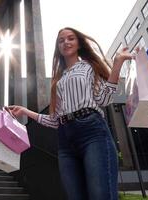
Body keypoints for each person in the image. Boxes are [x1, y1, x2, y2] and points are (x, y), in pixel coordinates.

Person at [7, 27, 135, 200]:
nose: (66, 42)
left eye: (70, 38)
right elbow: (54, 121)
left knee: (99, 195)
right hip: (65, 140)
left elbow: (103, 100)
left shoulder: (89, 67)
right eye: (61, 40)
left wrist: (117, 63)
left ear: (78, 43)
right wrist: (24, 111)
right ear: (58, 47)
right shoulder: (58, 80)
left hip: (92, 132)